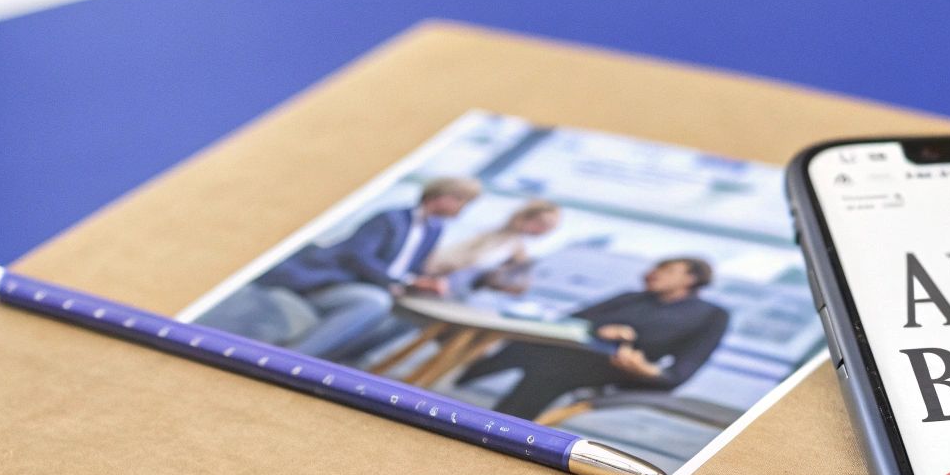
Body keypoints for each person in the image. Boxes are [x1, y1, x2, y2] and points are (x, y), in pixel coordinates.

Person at [456, 257, 730, 419]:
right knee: (544, 356)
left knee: (548, 365)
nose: (655, 274)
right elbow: (575, 318)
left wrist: (647, 369)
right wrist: (604, 328)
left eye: (668, 270)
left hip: (624, 369)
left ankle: (476, 376)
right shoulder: (632, 297)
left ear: (692, 280)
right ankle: (502, 415)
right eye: (657, 268)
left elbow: (684, 368)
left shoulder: (711, 315)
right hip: (577, 354)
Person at [247, 177, 480, 359]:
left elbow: (412, 267)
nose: (463, 208)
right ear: (443, 196)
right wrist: (399, 283)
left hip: (382, 286)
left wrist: (425, 281)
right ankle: (294, 356)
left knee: (414, 317)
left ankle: (342, 359)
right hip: (336, 281)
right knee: (376, 301)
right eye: (462, 201)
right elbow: (356, 256)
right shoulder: (390, 218)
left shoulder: (434, 229)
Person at [423, 199, 561, 293]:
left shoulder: (517, 247)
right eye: (542, 223)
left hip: (453, 289)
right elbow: (462, 261)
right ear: (524, 217)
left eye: (550, 227)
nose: (544, 230)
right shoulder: (495, 237)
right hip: (435, 283)